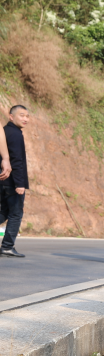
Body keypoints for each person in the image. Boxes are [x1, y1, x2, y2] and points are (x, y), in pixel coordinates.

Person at [0, 105, 30, 258]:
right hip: (12, 182)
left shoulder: (4, 131)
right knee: (15, 214)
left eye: (27, 116)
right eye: (21, 115)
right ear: (11, 116)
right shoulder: (15, 134)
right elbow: (17, 160)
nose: (25, 119)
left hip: (4, 180)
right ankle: (7, 246)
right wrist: (20, 183)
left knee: (3, 212)